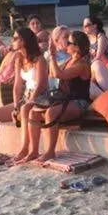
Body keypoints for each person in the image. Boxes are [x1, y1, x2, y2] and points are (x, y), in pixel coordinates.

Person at [16, 30, 92, 164]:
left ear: (77, 47)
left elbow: (59, 75)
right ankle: (33, 151)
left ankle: (50, 151)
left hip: (79, 102)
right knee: (34, 113)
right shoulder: (70, 60)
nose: (66, 44)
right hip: (64, 100)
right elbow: (52, 72)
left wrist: (52, 55)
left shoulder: (82, 65)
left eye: (69, 43)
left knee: (51, 113)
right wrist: (53, 57)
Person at [0, 28, 49, 164]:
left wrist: (28, 102)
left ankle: (24, 149)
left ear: (24, 41)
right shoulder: (19, 59)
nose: (12, 41)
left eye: (15, 38)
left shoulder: (39, 60)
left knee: (25, 109)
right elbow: (17, 86)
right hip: (26, 97)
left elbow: (41, 85)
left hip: (41, 96)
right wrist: (16, 105)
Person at [83, 16, 108, 98]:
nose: (84, 28)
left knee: (96, 64)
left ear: (95, 25)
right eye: (83, 26)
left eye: (87, 25)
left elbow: (98, 56)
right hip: (93, 71)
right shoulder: (87, 40)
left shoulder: (101, 37)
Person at [45, 25, 72, 90]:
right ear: (56, 40)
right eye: (66, 37)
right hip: (57, 88)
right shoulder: (48, 55)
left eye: (70, 36)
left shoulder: (73, 53)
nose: (70, 39)